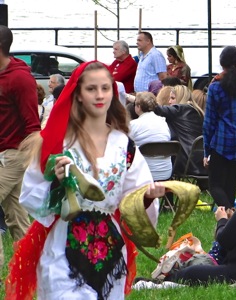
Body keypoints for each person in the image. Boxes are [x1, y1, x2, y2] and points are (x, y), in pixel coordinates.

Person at [5, 61, 164, 299]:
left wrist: (147, 198)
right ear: (78, 94)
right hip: (62, 250)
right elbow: (30, 198)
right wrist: (56, 184)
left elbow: (132, 202)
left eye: (105, 88)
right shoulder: (57, 142)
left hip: (111, 252)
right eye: (91, 89)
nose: (99, 95)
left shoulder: (125, 145)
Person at [0, 25, 40, 274]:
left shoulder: (20, 79)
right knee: (16, 216)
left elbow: (33, 126)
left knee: (15, 214)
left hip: (13, 155)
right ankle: (32, 267)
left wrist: (27, 161)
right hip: (4, 154)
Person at [203, 46, 236, 209]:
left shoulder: (215, 87)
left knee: (215, 185)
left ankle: (230, 214)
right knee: (231, 185)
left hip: (223, 140)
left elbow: (209, 121)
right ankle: (229, 217)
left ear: (221, 62)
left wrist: (206, 151)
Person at [154, 85, 205, 177]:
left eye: (172, 98)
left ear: (181, 97)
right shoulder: (197, 112)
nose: (169, 102)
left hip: (187, 163)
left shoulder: (182, 109)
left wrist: (134, 98)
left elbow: (157, 109)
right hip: (203, 163)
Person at [128, 91, 172, 181]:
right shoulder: (163, 122)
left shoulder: (134, 125)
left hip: (143, 175)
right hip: (166, 173)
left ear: (138, 107)